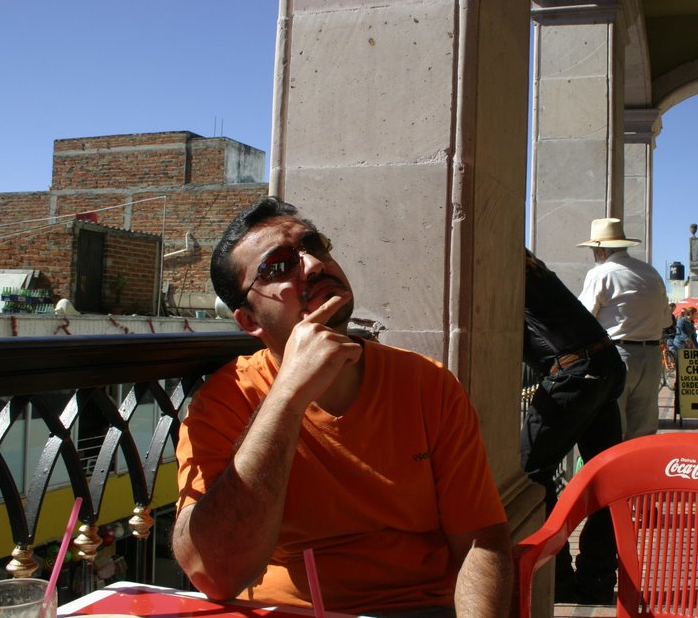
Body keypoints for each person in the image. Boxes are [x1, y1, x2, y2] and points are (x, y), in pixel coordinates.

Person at [172, 197, 512, 617]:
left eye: (314, 246)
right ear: (249, 321)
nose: (314, 265)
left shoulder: (428, 384)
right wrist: (287, 396)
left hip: (415, 607)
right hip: (283, 610)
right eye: (278, 266)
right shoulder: (224, 400)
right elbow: (216, 574)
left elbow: (482, 541)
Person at [521, 248, 625, 605]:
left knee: (530, 472)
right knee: (606, 480)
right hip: (603, 365)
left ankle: (557, 576)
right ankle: (596, 578)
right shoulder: (537, 272)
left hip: (579, 373)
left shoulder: (508, 273)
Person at [578, 218, 673, 440]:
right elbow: (665, 321)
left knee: (612, 428)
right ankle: (638, 473)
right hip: (650, 357)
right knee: (643, 432)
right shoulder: (651, 273)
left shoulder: (600, 273)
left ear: (600, 251)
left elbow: (584, 319)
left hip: (617, 355)